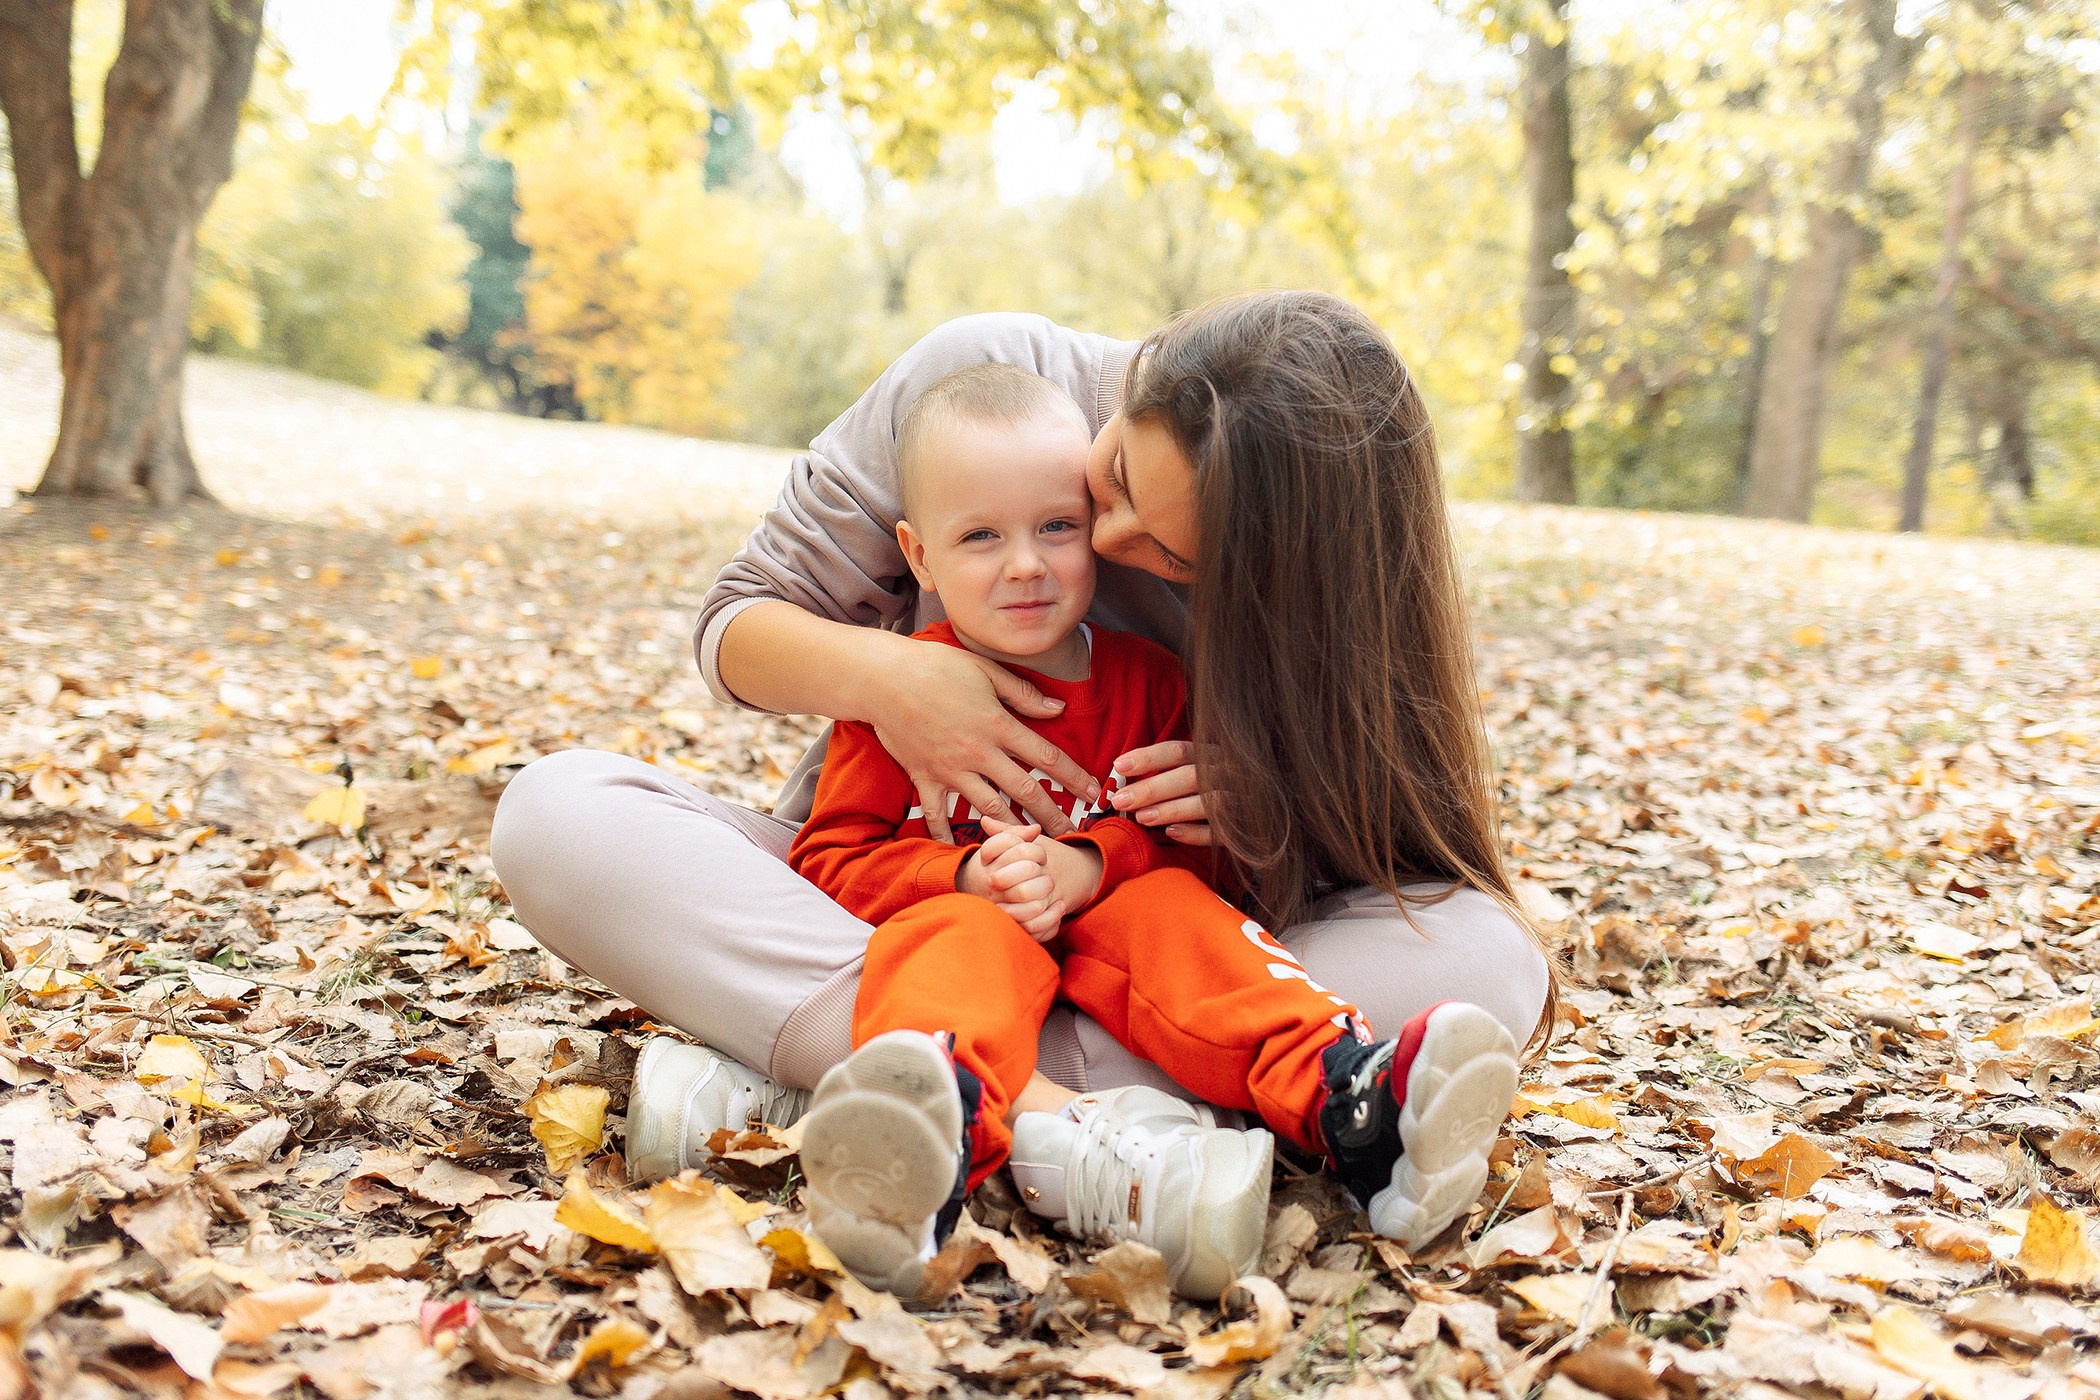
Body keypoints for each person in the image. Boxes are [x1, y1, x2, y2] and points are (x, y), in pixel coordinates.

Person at [489, 290, 1556, 1273]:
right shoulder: (984, 386)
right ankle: (1085, 1120)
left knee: (1489, 958)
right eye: (1117, 482)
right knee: (556, 814)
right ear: (1134, 383)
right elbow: (736, 627)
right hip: (887, 917)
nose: (1101, 541)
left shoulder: (1261, 620)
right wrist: (895, 677)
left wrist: (1271, 801)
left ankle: (875, 1091)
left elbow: (1375, 859)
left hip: (1152, 952)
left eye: (1182, 559)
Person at [778, 363, 1521, 1299]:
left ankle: (1353, 1107)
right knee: (953, 945)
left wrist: (1094, 865)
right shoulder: (900, 700)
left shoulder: (1151, 682)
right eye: (979, 537)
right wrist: (960, 880)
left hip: (1129, 945)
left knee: (1175, 911)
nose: (1025, 564)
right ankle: (923, 1144)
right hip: (973, 935)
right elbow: (830, 858)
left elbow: (1205, 855)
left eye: (1058, 527)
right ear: (917, 557)